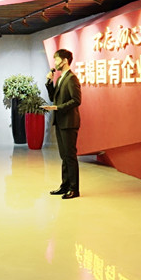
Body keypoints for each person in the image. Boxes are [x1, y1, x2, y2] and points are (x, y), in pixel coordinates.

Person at [43, 48, 82, 199]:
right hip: (60, 122)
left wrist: (58, 108)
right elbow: (53, 97)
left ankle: (74, 189)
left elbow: (76, 100)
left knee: (70, 156)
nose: (55, 63)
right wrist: (49, 82)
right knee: (64, 156)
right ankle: (65, 185)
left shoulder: (72, 78)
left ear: (65, 61)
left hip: (69, 122)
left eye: (57, 59)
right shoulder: (60, 79)